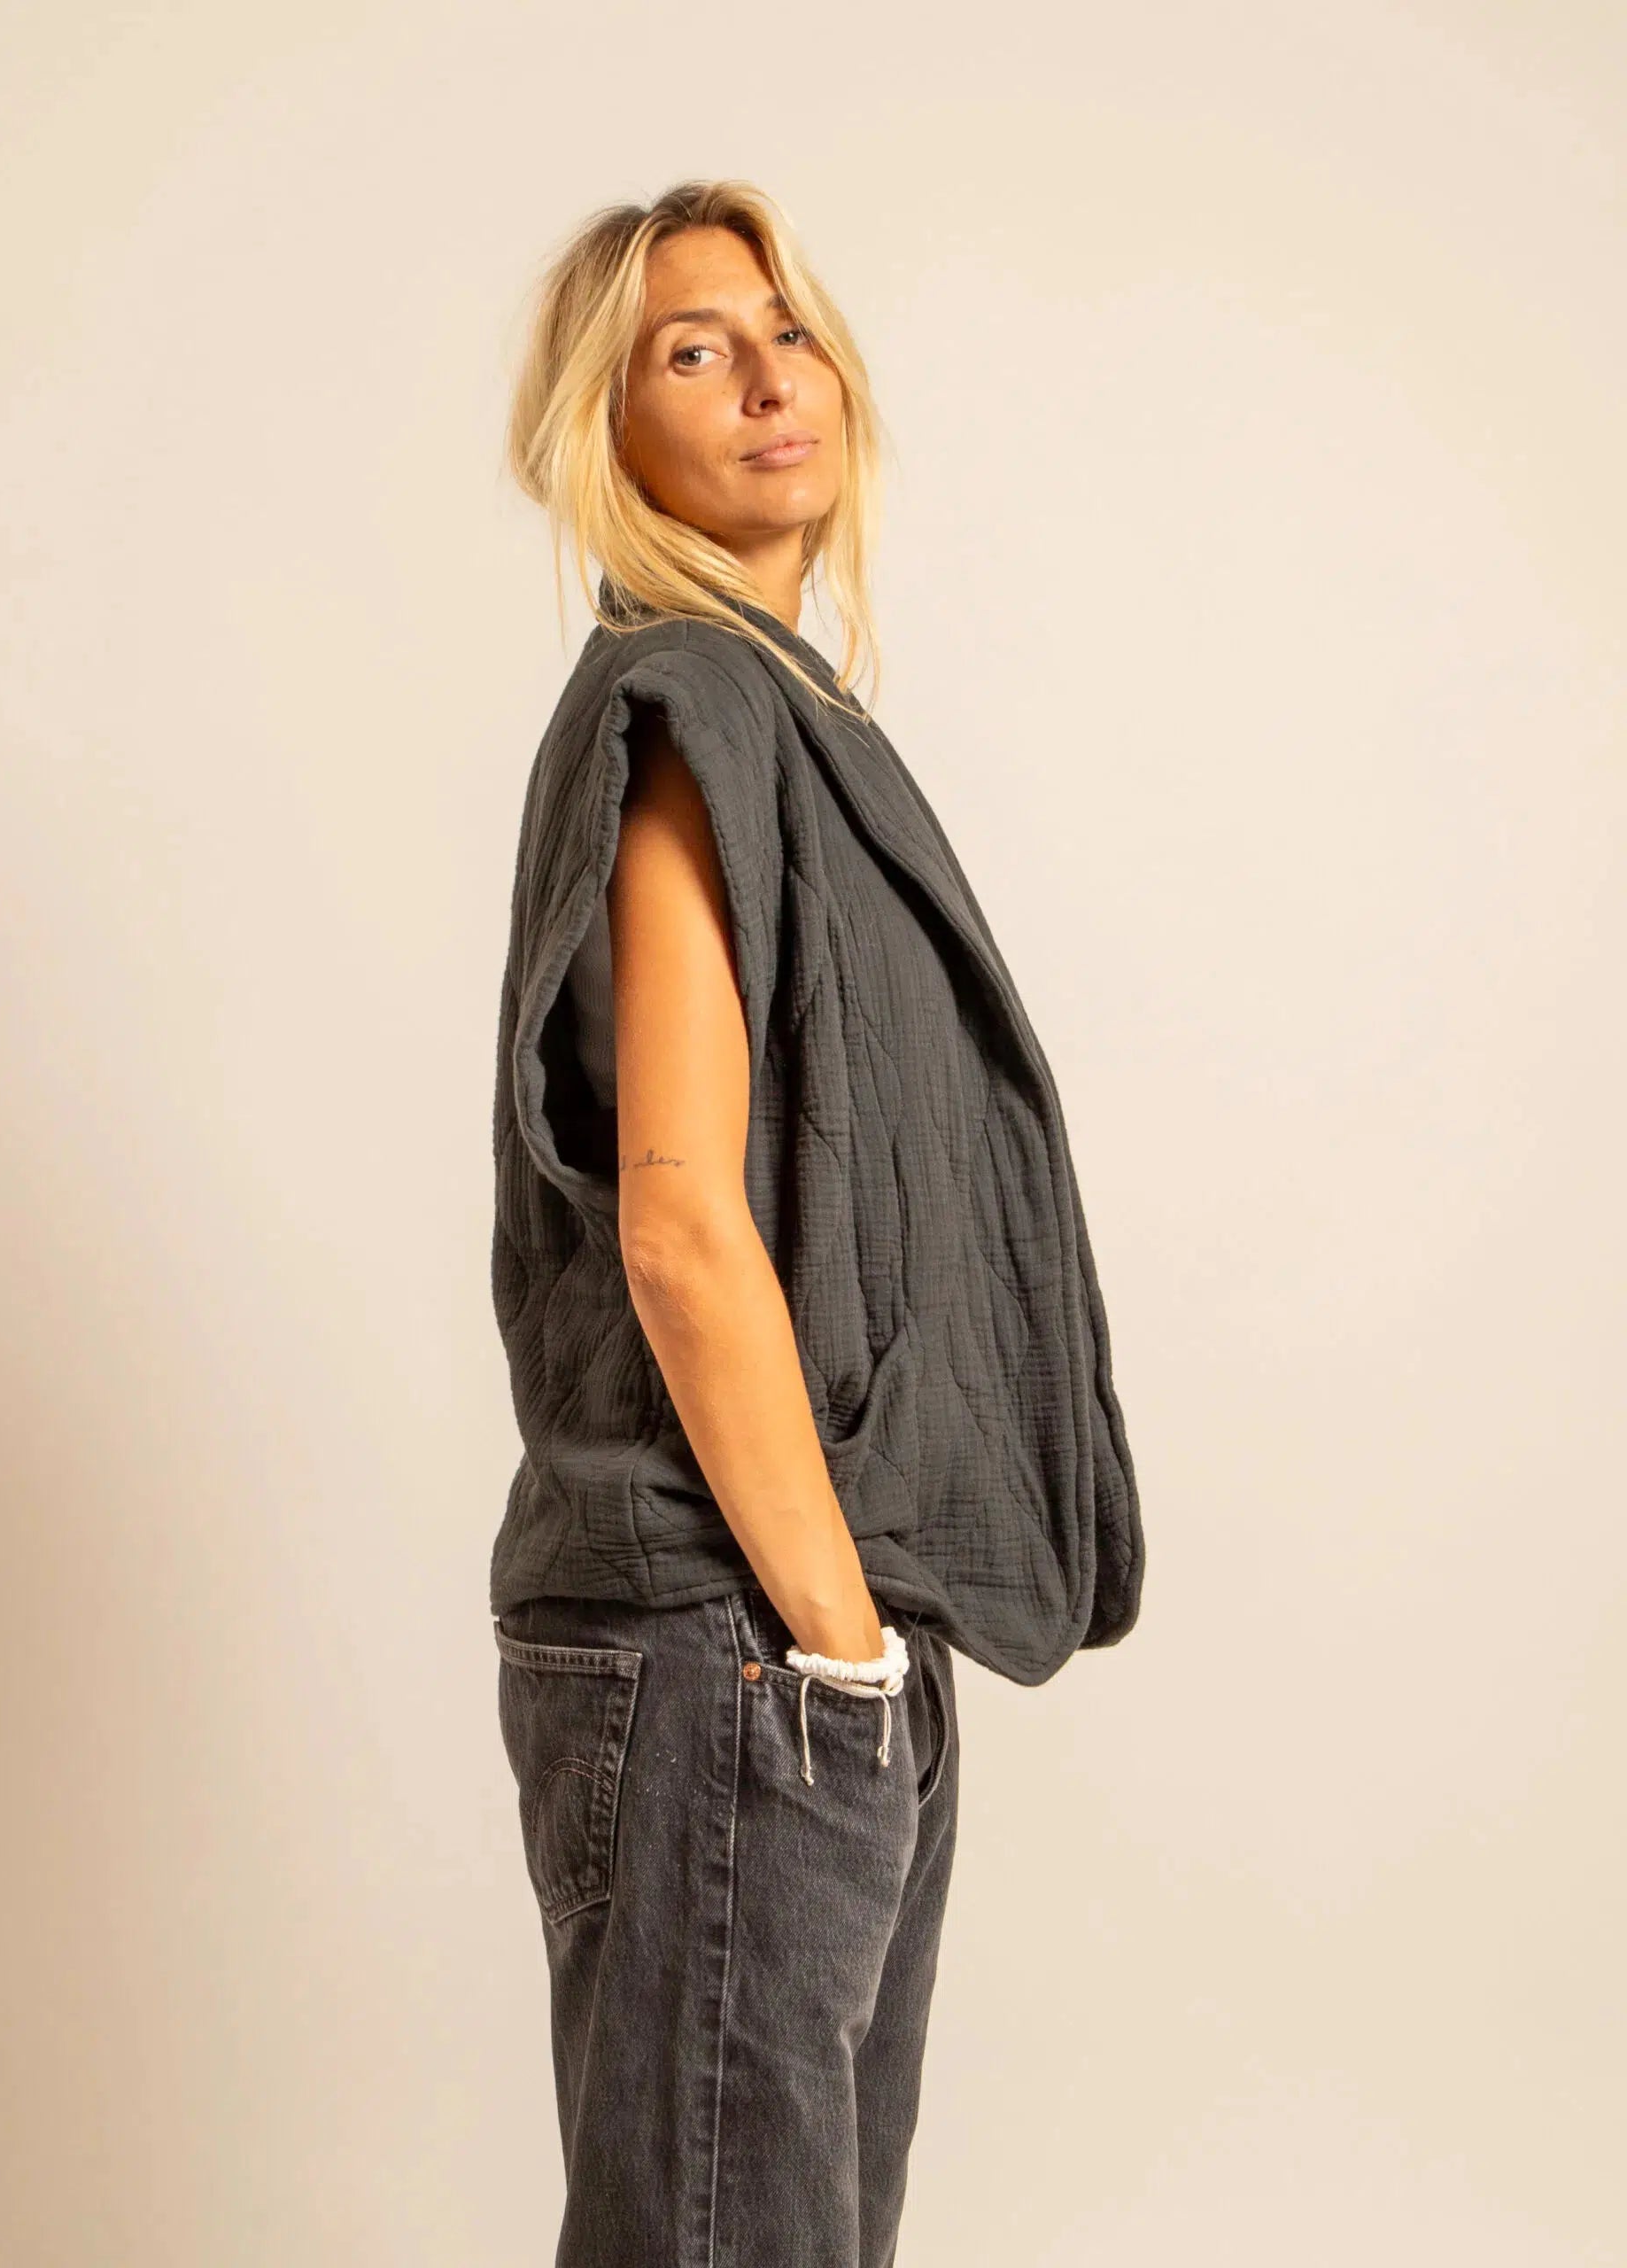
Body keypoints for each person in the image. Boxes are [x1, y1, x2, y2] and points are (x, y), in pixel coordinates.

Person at [487, 178, 1145, 2268]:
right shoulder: (687, 698)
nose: (772, 375)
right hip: (741, 1630)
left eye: (788, 329)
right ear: (607, 433)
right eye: (694, 349)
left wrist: (858, 1641)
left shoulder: (785, 717)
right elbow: (680, 1222)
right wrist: (834, 1636)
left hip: (799, 1630)